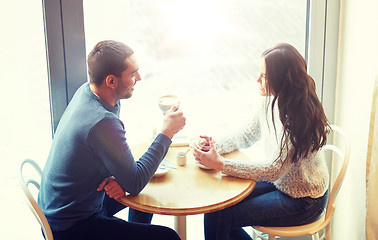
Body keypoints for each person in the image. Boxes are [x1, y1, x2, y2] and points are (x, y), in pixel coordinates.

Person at [38, 40, 185, 240]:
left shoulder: (87, 92)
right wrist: (167, 132)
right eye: (133, 74)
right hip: (73, 226)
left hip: (65, 204)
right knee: (168, 237)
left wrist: (125, 181)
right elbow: (134, 182)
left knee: (146, 182)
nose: (139, 78)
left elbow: (123, 170)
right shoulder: (102, 121)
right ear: (111, 81)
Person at [193, 43, 330, 240]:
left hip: (304, 199)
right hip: (281, 182)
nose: (257, 79)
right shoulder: (272, 100)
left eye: (264, 76)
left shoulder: (296, 119)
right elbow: (247, 135)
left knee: (221, 216)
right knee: (217, 206)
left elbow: (273, 169)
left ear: (282, 80)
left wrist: (220, 164)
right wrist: (214, 145)